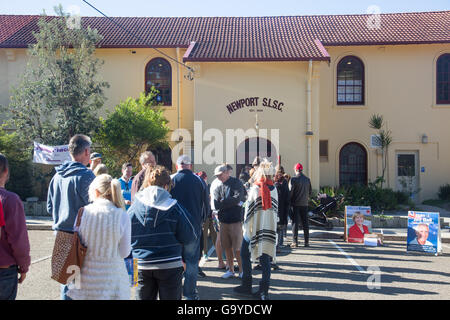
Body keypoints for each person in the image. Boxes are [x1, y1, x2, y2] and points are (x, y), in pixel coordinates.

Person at [128, 166, 197, 300]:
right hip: (170, 263)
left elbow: (123, 234)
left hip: (139, 264)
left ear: (148, 183)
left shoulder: (134, 207)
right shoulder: (175, 207)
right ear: (167, 185)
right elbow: (190, 236)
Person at [66, 174, 131, 300]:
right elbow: (124, 252)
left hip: (84, 280)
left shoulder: (82, 213)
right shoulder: (122, 216)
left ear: (95, 192)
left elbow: (75, 243)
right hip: (112, 279)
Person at [47, 134, 96, 300]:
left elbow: (49, 207)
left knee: (67, 283)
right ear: (86, 151)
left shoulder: (57, 176)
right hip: (81, 237)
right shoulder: (87, 177)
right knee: (81, 286)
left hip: (61, 233)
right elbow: (97, 208)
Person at [234, 159, 278, 300]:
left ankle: (247, 285)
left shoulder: (255, 188)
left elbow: (249, 211)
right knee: (265, 259)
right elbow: (275, 210)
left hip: (253, 228)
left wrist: (245, 226)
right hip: (269, 228)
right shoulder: (274, 189)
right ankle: (264, 291)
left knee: (244, 254)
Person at [170, 155, 207, 300]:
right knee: (191, 261)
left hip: (174, 227)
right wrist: (202, 221)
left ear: (177, 165)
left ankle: (174, 291)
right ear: (190, 165)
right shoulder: (199, 181)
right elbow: (205, 205)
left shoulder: (171, 179)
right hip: (194, 226)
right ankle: (190, 293)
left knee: (175, 259)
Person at [0, 154, 30, 300]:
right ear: (6, 171)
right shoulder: (10, 200)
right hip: (3, 271)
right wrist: (24, 266)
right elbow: (19, 241)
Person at [213, 164, 245, 279]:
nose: (218, 177)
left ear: (226, 172)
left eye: (220, 175)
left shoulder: (237, 183)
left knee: (237, 248)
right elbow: (216, 204)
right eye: (217, 176)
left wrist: (223, 202)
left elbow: (238, 198)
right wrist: (230, 202)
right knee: (227, 247)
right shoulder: (218, 187)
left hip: (235, 221)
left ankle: (242, 271)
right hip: (223, 222)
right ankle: (231, 270)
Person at [289, 163, 312, 248]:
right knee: (305, 223)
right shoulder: (307, 179)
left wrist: (289, 202)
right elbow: (310, 192)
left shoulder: (293, 179)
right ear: (301, 170)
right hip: (305, 204)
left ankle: (295, 242)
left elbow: (290, 192)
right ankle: (306, 242)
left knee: (295, 223)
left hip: (295, 204)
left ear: (295, 170)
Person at [197, 171, 216, 261]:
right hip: (204, 215)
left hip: (211, 213)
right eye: (201, 178)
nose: (203, 180)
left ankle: (219, 252)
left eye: (203, 178)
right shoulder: (198, 187)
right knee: (204, 236)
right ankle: (205, 254)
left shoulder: (209, 186)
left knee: (214, 234)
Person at [209, 173, 227, 270]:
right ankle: (227, 263)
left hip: (215, 212)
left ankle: (221, 262)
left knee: (219, 237)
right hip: (222, 212)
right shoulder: (221, 183)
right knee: (225, 238)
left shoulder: (214, 182)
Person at [274, 166, 290, 250]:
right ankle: (277, 244)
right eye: (278, 173)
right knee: (277, 226)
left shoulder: (284, 183)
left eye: (280, 173)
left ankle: (279, 244)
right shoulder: (275, 182)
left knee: (280, 226)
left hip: (282, 207)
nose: (279, 175)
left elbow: (287, 197)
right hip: (277, 207)